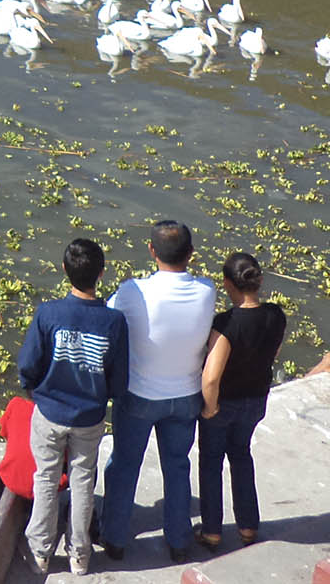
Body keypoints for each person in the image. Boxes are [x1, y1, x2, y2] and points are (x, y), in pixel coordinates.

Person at [99, 220, 216, 563]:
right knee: (178, 466)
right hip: (185, 397)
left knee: (124, 464)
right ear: (191, 254)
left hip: (139, 395)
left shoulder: (133, 292)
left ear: (151, 251)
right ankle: (179, 541)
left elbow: (105, 317)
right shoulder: (206, 291)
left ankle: (115, 537)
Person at [17, 237, 129, 576]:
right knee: (83, 483)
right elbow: (119, 380)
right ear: (102, 274)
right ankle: (80, 556)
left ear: (64, 270)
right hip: (89, 417)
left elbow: (28, 365)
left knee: (46, 478)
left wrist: (33, 390)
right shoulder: (114, 322)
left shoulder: (48, 313)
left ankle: (40, 552)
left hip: (50, 413)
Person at [196, 252, 286, 550]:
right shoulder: (276, 315)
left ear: (227, 283)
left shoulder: (227, 323)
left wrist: (209, 408)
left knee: (211, 463)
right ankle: (248, 526)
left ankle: (211, 530)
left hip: (226, 403)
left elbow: (211, 377)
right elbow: (270, 354)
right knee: (241, 456)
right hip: (256, 400)